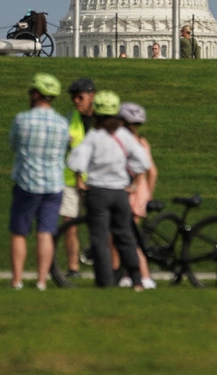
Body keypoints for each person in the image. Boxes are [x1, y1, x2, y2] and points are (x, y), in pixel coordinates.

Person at [65, 91, 152, 290]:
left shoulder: (94, 136)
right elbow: (143, 162)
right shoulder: (125, 136)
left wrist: (80, 179)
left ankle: (105, 282)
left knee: (100, 238)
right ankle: (137, 280)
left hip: (98, 192)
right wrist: (132, 182)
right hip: (120, 192)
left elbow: (75, 160)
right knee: (125, 236)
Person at [7, 73, 69, 291]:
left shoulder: (22, 120)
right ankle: (41, 281)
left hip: (27, 182)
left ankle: (17, 280)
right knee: (46, 232)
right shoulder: (62, 123)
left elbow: (13, 144)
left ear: (36, 94)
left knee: (19, 232)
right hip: (53, 183)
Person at [59, 78, 97, 278]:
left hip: (97, 181)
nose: (76, 101)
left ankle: (105, 264)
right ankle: (73, 268)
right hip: (71, 181)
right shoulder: (70, 119)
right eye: (73, 97)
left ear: (92, 97)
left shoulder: (103, 120)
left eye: (80, 97)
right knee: (69, 224)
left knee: (99, 225)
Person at [120, 102, 157, 289]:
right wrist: (147, 195)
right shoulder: (143, 142)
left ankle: (144, 275)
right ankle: (129, 274)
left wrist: (134, 187)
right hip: (141, 193)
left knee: (129, 238)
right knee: (130, 235)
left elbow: (137, 170)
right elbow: (153, 172)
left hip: (131, 193)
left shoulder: (128, 144)